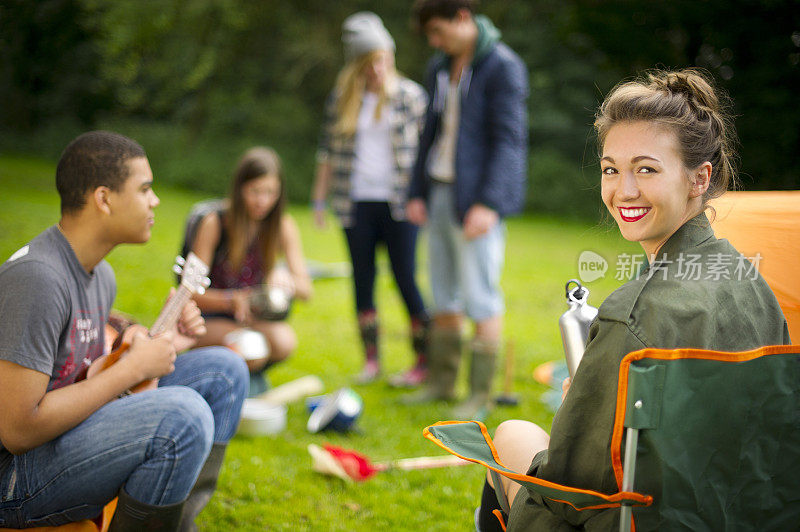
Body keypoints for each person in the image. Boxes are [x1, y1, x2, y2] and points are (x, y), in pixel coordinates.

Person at [474, 69, 791, 531]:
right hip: (740, 514)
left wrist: (576, 410)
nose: (624, 190)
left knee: (513, 434)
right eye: (611, 169)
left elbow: (572, 488)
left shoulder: (632, 316)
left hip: (639, 519)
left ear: (699, 178)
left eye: (646, 169)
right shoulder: (754, 283)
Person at [0, 131, 249, 531]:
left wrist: (153, 348)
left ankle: (177, 523)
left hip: (66, 436)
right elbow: (16, 429)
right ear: (104, 198)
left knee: (225, 372)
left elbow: (84, 374)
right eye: (145, 189)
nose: (156, 201)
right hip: (14, 480)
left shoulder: (101, 275)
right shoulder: (37, 279)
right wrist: (131, 370)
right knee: (183, 416)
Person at [405, 0, 528, 419]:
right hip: (438, 192)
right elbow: (429, 134)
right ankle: (440, 382)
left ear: (462, 17)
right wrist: (416, 190)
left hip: (476, 200)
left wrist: (490, 203)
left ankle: (479, 394)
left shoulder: (502, 66)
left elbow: (509, 141)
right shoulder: (440, 68)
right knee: (442, 290)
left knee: (480, 294)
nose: (434, 42)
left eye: (438, 32)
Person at [312, 12, 431, 386]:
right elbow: (327, 152)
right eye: (370, 62)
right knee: (362, 280)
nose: (378, 69)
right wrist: (318, 200)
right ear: (357, 65)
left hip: (400, 203)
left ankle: (422, 360)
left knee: (405, 278)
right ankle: (371, 360)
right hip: (355, 202)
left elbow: (428, 152)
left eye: (383, 59)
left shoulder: (411, 97)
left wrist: (424, 197)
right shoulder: (342, 99)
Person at [191, 146, 312, 396]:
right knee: (252, 348)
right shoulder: (215, 223)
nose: (262, 201)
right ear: (239, 189)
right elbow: (189, 293)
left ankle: (242, 382)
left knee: (284, 341)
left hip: (251, 316)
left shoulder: (282, 226)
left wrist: (284, 276)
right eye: (255, 191)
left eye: (270, 193)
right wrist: (231, 300)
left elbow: (306, 290)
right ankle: (232, 382)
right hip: (210, 317)